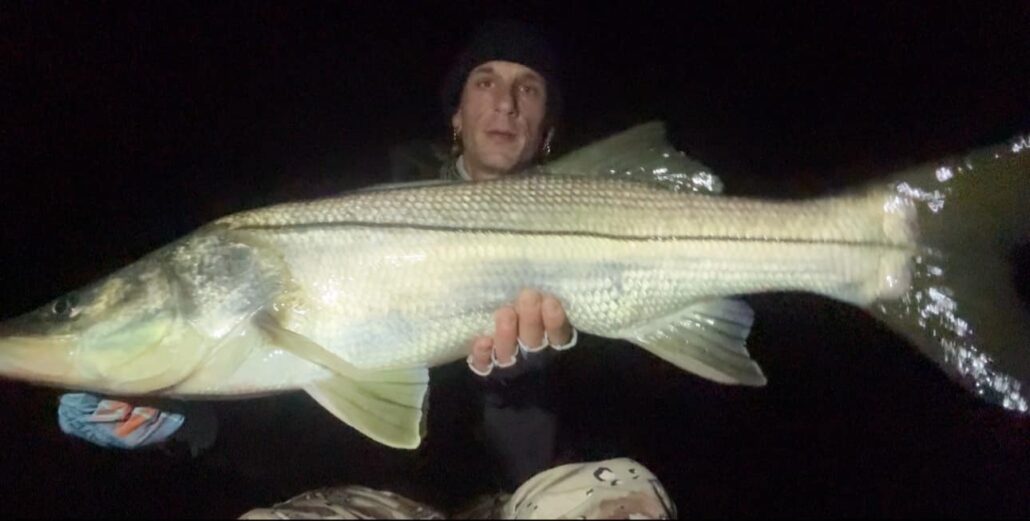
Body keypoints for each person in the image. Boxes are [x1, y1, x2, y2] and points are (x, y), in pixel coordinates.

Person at [58, 19, 677, 519]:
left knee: (628, 497)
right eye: (485, 82)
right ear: (456, 117)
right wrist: (190, 424)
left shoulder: (613, 214)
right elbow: (293, 395)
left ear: (546, 134)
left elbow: (648, 412)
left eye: (529, 88)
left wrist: (551, 362)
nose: (507, 103)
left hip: (531, 496)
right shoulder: (356, 209)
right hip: (377, 499)